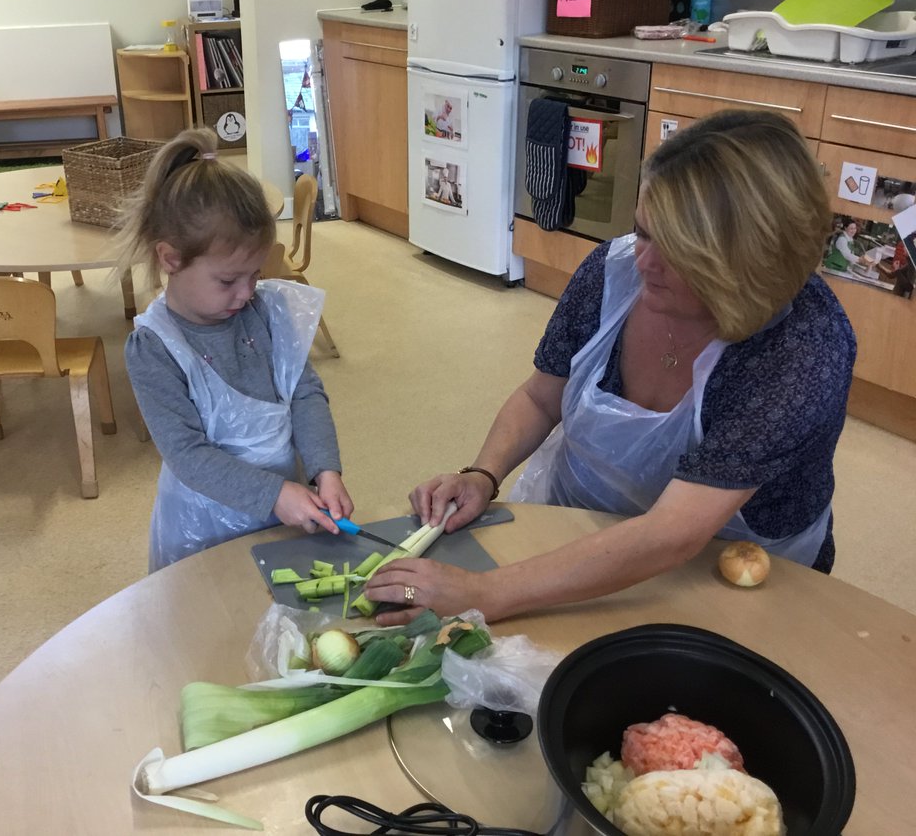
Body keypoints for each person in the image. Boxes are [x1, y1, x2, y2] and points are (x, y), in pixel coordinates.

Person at [365, 110, 856, 625]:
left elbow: (672, 534)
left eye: (679, 252)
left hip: (724, 572)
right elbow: (541, 396)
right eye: (643, 232)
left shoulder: (802, 349)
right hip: (583, 535)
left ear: (749, 264)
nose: (643, 263)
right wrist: (483, 473)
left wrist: (485, 592)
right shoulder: (612, 271)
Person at [123, 128, 353, 571]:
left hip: (285, 506)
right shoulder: (153, 347)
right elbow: (188, 455)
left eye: (254, 274)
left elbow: (305, 393)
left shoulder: (266, 313)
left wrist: (326, 470)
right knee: (213, 617)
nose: (247, 293)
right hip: (203, 524)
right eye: (228, 280)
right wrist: (274, 494)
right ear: (170, 260)